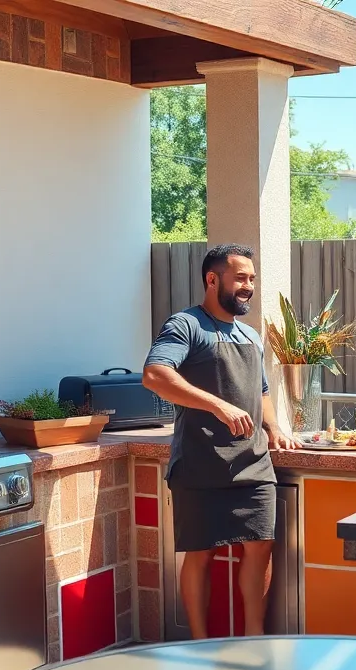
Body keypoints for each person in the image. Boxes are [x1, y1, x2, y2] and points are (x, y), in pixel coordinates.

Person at [142, 243, 299, 640]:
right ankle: (200, 644)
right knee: (200, 555)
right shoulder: (185, 325)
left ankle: (253, 640)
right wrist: (218, 405)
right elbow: (155, 375)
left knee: (260, 547)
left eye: (252, 279)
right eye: (240, 278)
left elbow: (261, 390)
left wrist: (274, 428)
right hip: (199, 463)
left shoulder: (250, 334)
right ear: (212, 279)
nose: (249, 286)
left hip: (253, 463)